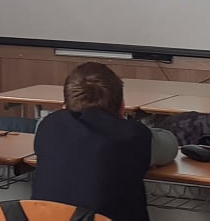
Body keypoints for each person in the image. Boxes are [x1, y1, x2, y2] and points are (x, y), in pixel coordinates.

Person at [32, 62, 179, 221]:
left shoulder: (47, 125)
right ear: (122, 107)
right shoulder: (133, 135)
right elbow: (170, 146)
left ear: (64, 106)